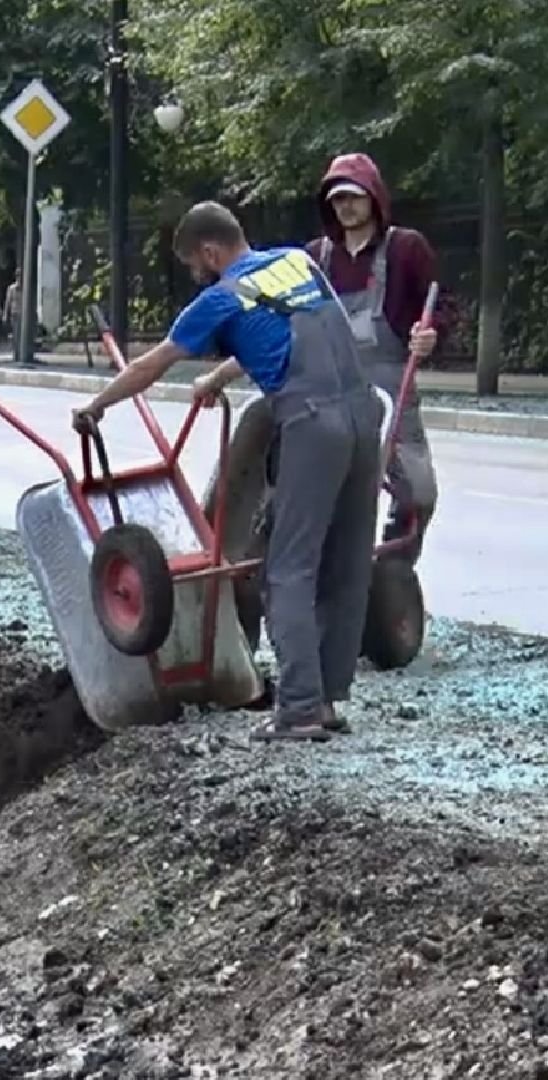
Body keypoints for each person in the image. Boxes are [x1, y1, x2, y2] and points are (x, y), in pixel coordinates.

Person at [71, 202, 381, 742]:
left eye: (197, 264)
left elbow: (149, 366)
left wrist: (96, 406)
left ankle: (300, 709)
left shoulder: (217, 298)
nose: (199, 274)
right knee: (347, 562)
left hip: (312, 425)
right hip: (363, 415)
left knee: (287, 569)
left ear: (209, 252)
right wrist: (219, 375)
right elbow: (286, 328)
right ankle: (327, 699)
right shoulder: (297, 264)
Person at [309, 153, 443, 561]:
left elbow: (440, 303)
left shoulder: (406, 249)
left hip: (390, 382)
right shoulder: (315, 258)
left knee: (418, 492)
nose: (345, 206)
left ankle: (393, 570)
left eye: (354, 196)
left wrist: (431, 333)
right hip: (332, 390)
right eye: (337, 199)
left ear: (374, 197)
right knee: (319, 490)